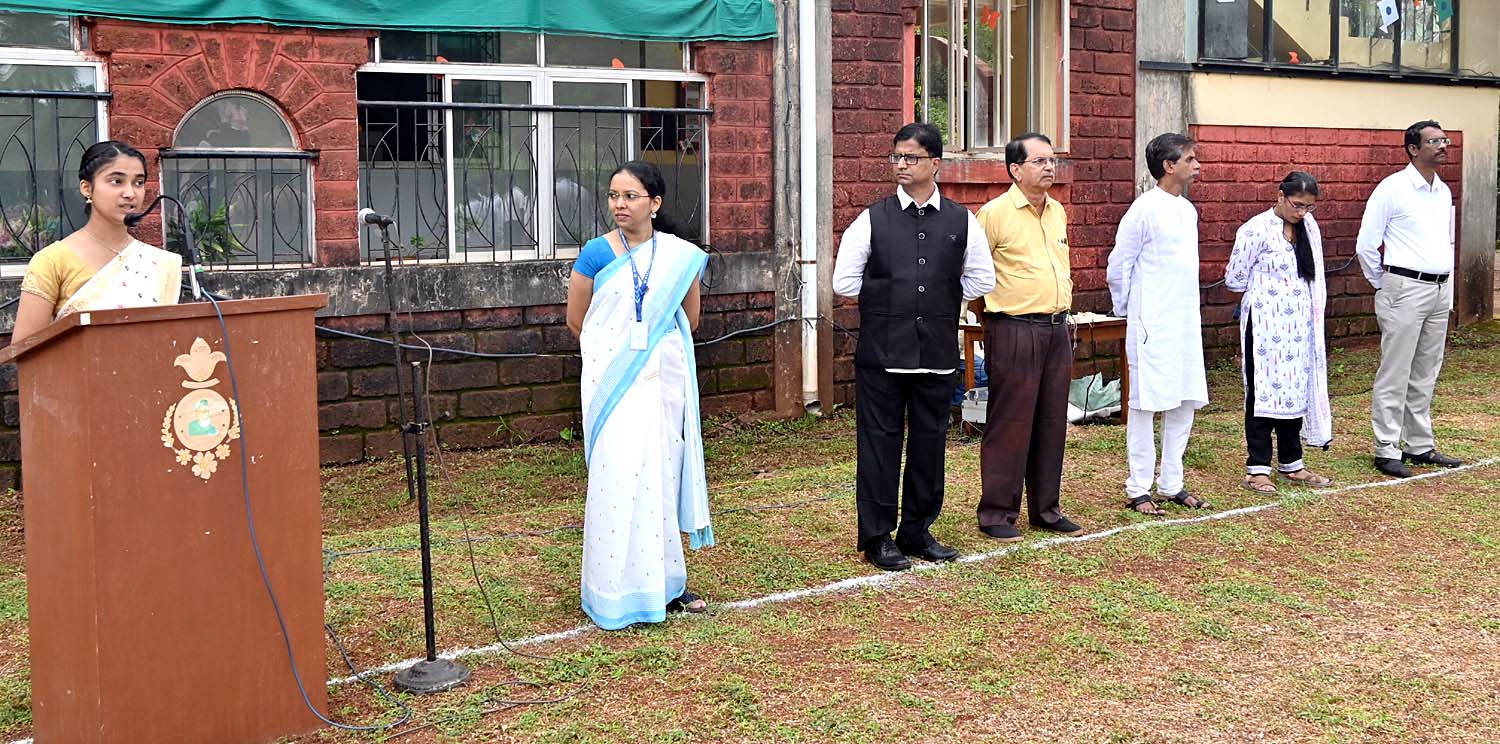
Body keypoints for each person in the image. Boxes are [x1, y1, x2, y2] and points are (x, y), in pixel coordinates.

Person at [832, 122, 996, 571]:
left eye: (911, 157)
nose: (901, 165)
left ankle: (918, 530)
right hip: (882, 356)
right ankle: (877, 536)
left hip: (936, 353)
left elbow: (982, 278)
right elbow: (844, 281)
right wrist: (895, 300)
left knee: (929, 444)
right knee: (879, 445)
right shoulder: (872, 219)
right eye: (896, 157)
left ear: (935, 164)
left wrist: (941, 298)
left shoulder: (961, 220)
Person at [565, 160, 712, 629]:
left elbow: (689, 320)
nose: (620, 204)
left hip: (663, 381)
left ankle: (667, 585)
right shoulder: (595, 253)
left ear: (655, 203)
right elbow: (578, 322)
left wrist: (649, 353)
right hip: (612, 384)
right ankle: (611, 590)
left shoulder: (678, 257)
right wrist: (620, 358)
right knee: (618, 477)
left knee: (660, 476)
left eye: (630, 196)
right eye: (614, 195)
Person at [971, 132, 1082, 541]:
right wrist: (993, 320)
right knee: (1011, 422)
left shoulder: (1057, 212)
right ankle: (997, 513)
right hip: (1014, 328)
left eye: (1052, 160)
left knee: (1052, 420)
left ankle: (1046, 509)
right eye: (1039, 161)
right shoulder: (994, 214)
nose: (1050, 167)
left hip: (1057, 328)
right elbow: (973, 275)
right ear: (1016, 170)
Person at [1106, 132, 1212, 515]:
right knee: (1145, 402)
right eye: (1189, 159)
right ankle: (1138, 487)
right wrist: (1129, 309)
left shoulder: (1187, 210)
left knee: (1183, 398)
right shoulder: (1144, 210)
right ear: (1169, 166)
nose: (1196, 165)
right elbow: (1120, 265)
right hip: (1151, 319)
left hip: (1184, 321)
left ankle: (1172, 482)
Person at [1355, 120, 1464, 478]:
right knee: (1396, 369)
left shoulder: (1442, 191)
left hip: (1439, 289)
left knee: (1426, 369)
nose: (1443, 146)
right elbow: (1366, 245)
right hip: (1404, 287)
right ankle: (1387, 447)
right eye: (1434, 141)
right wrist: (1384, 284)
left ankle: (1418, 443)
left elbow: (1445, 241)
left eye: (1444, 140)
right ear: (1413, 149)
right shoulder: (1393, 189)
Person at [1224, 172, 1334, 494]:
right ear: (1280, 196)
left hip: (1299, 329)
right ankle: (1257, 468)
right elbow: (1234, 279)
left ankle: (1292, 463)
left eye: (1308, 207)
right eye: (1297, 205)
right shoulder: (1255, 229)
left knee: (1294, 392)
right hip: (1264, 327)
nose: (1302, 213)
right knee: (1262, 394)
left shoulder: (1308, 229)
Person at [11, 140, 183, 342]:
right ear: (87, 188)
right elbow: (25, 350)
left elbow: (167, 340)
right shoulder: (52, 261)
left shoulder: (160, 263)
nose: (130, 193)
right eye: (116, 181)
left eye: (138, 183)